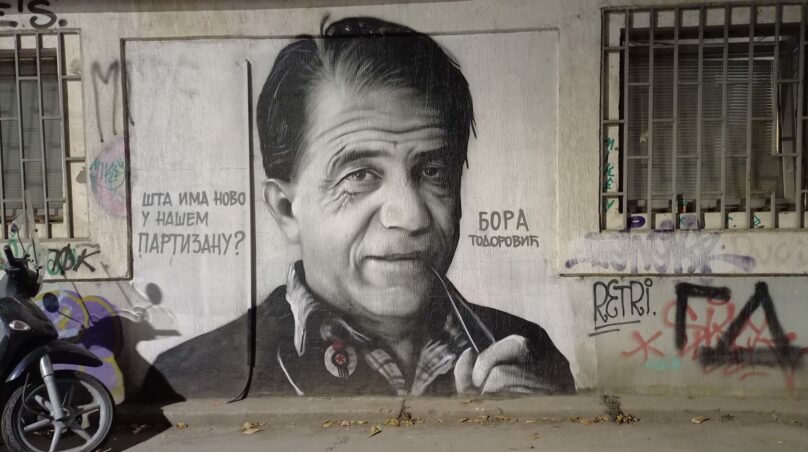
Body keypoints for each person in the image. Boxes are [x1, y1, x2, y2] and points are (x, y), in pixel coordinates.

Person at [142, 16, 574, 399]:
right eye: (360, 174)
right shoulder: (188, 380)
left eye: (433, 171)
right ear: (287, 210)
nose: (411, 217)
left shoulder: (528, 351)